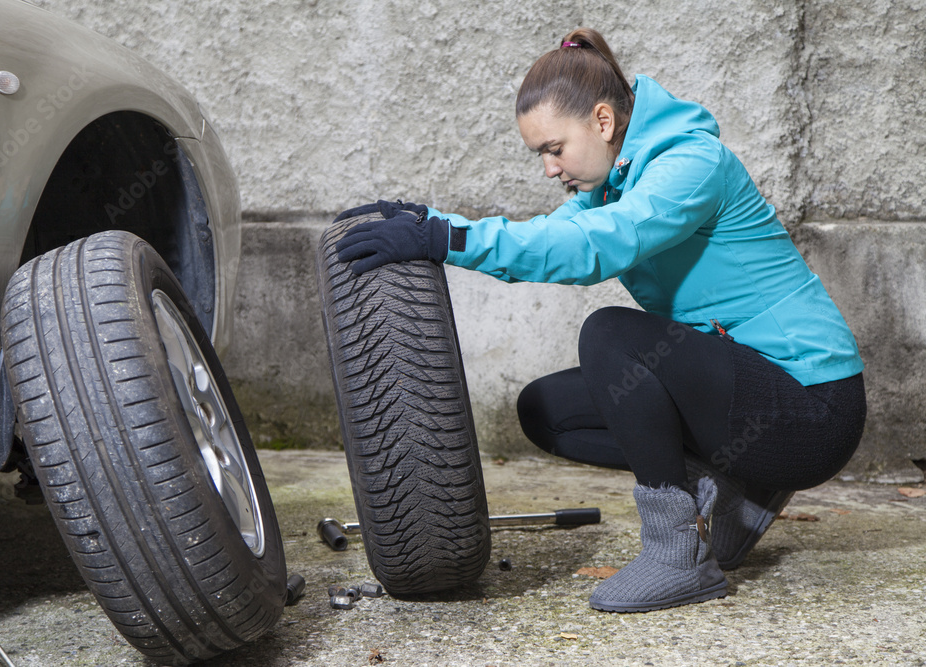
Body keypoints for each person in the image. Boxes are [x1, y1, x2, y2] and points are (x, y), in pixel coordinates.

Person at [333, 27, 866, 613]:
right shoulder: (611, 186)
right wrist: (426, 220)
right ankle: (742, 488)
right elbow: (558, 232)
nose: (548, 169)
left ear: (604, 121)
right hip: (744, 393)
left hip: (813, 408)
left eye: (553, 149)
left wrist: (445, 238)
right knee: (546, 411)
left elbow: (599, 245)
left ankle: (676, 555)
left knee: (611, 334)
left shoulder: (691, 164)